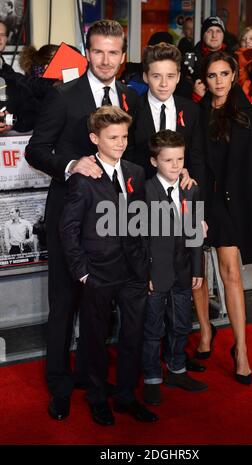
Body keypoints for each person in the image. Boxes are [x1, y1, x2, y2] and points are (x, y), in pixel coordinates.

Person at [25, 20, 138, 421]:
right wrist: (72, 164)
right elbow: (35, 151)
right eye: (98, 51)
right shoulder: (63, 96)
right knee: (64, 305)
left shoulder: (128, 97)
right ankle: (59, 386)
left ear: (123, 57)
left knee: (100, 310)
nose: (105, 60)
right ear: (87, 52)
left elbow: (134, 159)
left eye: (113, 52)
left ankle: (94, 381)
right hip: (69, 220)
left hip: (112, 226)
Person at [59, 106, 158, 426]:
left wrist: (147, 265)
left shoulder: (136, 171)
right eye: (112, 137)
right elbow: (68, 228)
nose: (120, 143)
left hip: (134, 271)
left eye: (125, 137)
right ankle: (98, 397)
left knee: (134, 335)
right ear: (94, 139)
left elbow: (142, 221)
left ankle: (127, 395)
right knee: (95, 337)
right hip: (98, 271)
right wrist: (82, 271)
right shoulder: (84, 178)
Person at [189, 51, 252, 385]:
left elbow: (249, 163)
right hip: (201, 198)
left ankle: (242, 351)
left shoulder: (249, 114)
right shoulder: (195, 113)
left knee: (230, 272)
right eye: (212, 75)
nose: (219, 81)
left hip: (232, 203)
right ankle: (206, 331)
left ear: (234, 75)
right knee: (196, 270)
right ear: (203, 80)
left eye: (224, 74)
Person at [142, 129, 208, 406]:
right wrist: (145, 273)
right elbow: (140, 239)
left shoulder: (190, 189)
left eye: (179, 159)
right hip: (156, 275)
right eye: (168, 160)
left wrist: (197, 269)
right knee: (153, 328)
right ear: (154, 161)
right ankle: (152, 378)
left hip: (183, 271)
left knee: (181, 323)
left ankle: (177, 370)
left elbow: (195, 233)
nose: (175, 165)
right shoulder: (145, 191)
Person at [132, 42, 204, 197]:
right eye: (156, 76)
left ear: (178, 77)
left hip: (181, 196)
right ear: (145, 76)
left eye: (170, 76)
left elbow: (197, 157)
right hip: (140, 197)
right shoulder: (132, 110)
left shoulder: (192, 111)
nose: (164, 84)